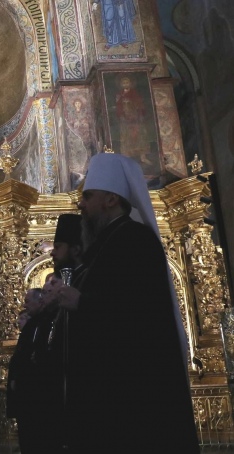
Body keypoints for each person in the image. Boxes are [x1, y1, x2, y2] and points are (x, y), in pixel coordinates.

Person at [48, 153, 199, 453]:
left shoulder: (134, 242)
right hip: (109, 398)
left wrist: (82, 303)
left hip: (132, 400)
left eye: (87, 196)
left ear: (111, 199)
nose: (80, 205)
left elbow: (140, 317)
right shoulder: (106, 245)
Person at [6, 288, 62, 453]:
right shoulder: (34, 324)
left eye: (28, 301)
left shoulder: (45, 323)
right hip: (27, 398)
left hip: (36, 397)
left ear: (40, 300)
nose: (25, 305)